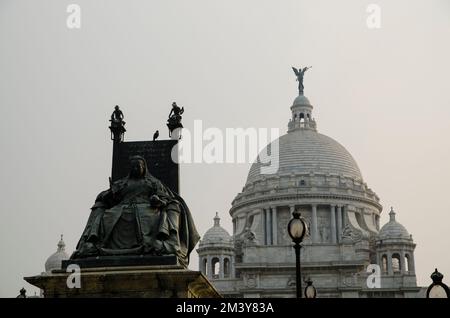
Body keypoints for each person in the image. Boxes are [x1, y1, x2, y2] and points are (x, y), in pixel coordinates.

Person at [71, 156, 199, 267]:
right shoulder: (122, 183)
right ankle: (90, 241)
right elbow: (104, 196)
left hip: (146, 208)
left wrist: (158, 200)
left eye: (139, 166)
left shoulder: (153, 182)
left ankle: (168, 243)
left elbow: (165, 197)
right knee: (105, 212)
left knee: (163, 210)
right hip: (122, 207)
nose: (136, 168)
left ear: (144, 167)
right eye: (134, 166)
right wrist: (110, 194)